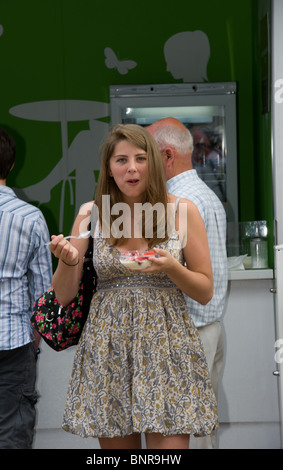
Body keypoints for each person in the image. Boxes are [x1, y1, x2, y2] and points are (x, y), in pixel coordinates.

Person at [49, 123, 218, 450]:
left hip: (166, 347)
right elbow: (63, 295)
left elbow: (205, 289)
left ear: (154, 162)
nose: (132, 168)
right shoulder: (91, 214)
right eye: (121, 160)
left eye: (141, 158)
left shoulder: (182, 211)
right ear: (109, 169)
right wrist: (68, 260)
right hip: (108, 348)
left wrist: (170, 266)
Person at [147, 117, 228, 449]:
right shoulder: (202, 193)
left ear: (167, 156)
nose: (138, 165)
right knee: (200, 433)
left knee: (185, 437)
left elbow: (180, 275)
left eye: (144, 155)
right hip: (206, 329)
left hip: (189, 333)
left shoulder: (179, 204)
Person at [0, 125, 53, 449]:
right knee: (5, 438)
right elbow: (43, 295)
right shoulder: (31, 217)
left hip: (11, 344)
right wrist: (34, 341)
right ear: (11, 165)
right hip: (11, 344)